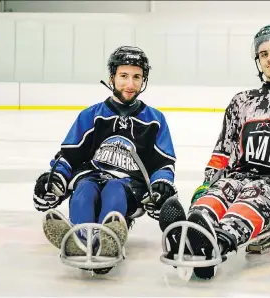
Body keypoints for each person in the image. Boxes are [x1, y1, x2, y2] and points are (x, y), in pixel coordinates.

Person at [158, 24, 270, 280]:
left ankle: (217, 243)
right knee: (221, 191)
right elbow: (223, 151)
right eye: (264, 54)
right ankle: (191, 229)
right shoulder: (241, 101)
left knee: (255, 193)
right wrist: (206, 184)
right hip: (238, 177)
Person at [33, 46, 178, 274]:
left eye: (136, 77)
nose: (130, 84)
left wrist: (162, 184)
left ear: (144, 80)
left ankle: (107, 241)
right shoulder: (91, 115)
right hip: (92, 176)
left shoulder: (155, 120)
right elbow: (68, 156)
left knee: (114, 189)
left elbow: (163, 164)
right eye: (123, 76)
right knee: (83, 190)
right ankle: (81, 240)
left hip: (129, 186)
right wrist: (54, 178)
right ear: (112, 78)